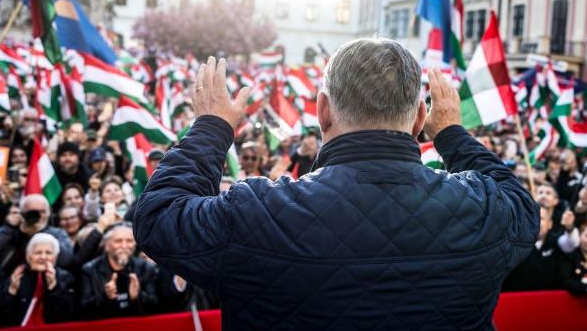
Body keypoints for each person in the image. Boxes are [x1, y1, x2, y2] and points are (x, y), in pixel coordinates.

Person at [135, 42, 539, 330]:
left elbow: (158, 217)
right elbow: (523, 206)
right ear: (420, 118)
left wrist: (212, 126)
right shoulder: (485, 210)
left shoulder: (260, 213)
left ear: (322, 110)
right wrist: (451, 132)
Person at [0, 233, 74, 326]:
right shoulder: (17, 275)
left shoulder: (65, 277)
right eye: (38, 252)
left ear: (55, 257)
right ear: (28, 256)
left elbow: (64, 317)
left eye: (48, 253)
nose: (43, 257)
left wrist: (53, 288)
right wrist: (11, 291)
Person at [79, 223, 158, 319]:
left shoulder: (146, 268)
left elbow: (156, 307)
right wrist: (105, 296)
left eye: (129, 241)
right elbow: (83, 312)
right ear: (107, 245)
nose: (124, 246)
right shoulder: (89, 270)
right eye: (118, 241)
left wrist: (137, 296)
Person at [0, 194, 74, 275]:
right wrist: (8, 228)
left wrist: (42, 232)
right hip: (11, 281)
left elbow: (66, 259)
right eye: (32, 212)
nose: (38, 216)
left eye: (42, 212)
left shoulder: (57, 233)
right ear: (22, 213)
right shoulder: (10, 231)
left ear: (48, 214)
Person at [503, 207, 560, 291]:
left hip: (549, 300)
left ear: (550, 224)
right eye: (533, 218)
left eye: (542, 219)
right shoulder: (513, 245)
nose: (537, 222)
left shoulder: (557, 245)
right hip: (519, 299)